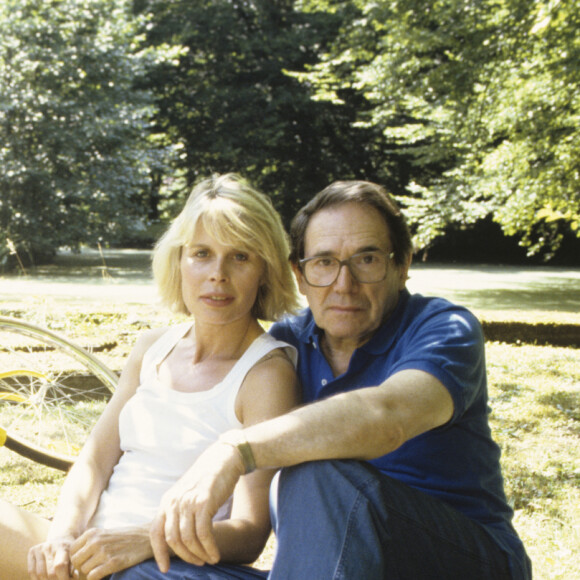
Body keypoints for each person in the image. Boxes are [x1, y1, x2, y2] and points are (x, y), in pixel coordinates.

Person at [121, 179, 532, 580]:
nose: (343, 284)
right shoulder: (282, 349)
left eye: (367, 260)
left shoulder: (444, 330)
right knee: (147, 571)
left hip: (458, 557)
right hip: (337, 562)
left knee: (316, 471)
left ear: (402, 264)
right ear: (300, 275)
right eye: (324, 262)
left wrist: (234, 450)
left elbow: (386, 417)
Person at [0, 173, 301, 580]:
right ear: (178, 260)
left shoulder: (267, 374)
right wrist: (62, 537)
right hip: (90, 555)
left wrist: (142, 541)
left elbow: (248, 534)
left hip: (167, 566)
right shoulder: (151, 349)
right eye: (202, 254)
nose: (218, 274)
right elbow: (92, 464)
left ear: (265, 270)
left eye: (241, 257)